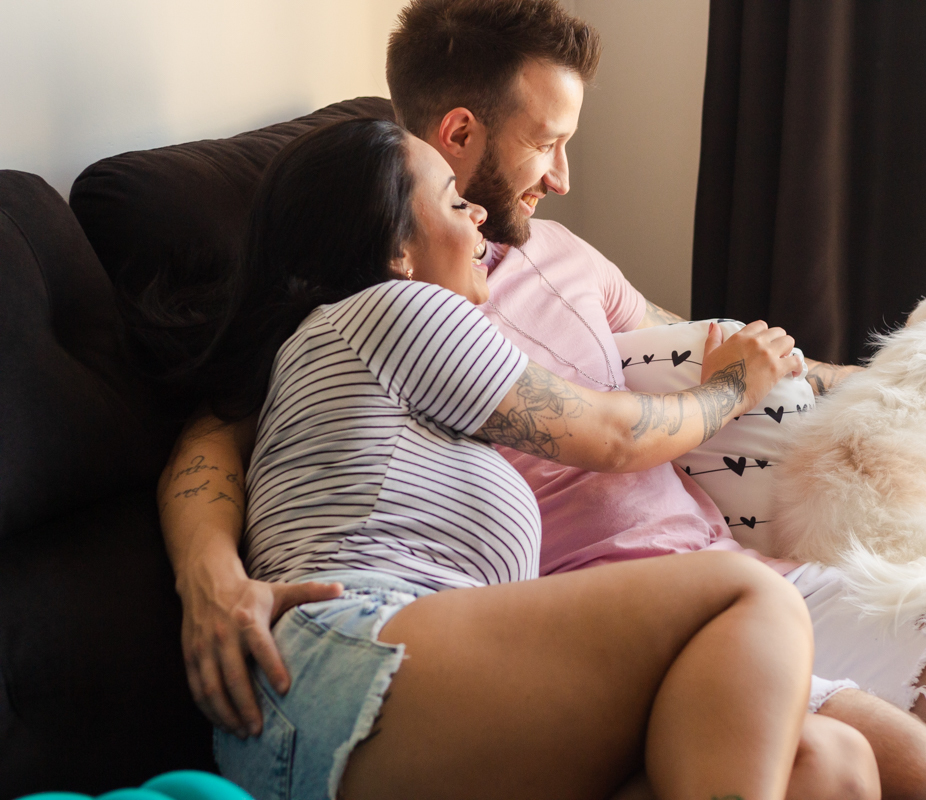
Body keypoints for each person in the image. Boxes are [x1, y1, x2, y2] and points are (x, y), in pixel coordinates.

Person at [161, 1, 926, 798]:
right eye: (550, 142)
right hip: (465, 636)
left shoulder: (540, 265)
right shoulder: (386, 308)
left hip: (578, 616)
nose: (564, 177)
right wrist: (207, 573)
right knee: (831, 687)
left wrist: (915, 372)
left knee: (883, 748)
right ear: (454, 144)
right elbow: (615, 433)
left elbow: (711, 345)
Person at [189, 115, 879, 800]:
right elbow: (614, 436)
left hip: (358, 702)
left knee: (830, 762)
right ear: (398, 247)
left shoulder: (347, 354)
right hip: (340, 667)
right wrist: (733, 386)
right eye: (456, 201)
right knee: (749, 595)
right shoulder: (391, 309)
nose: (480, 213)